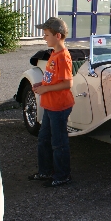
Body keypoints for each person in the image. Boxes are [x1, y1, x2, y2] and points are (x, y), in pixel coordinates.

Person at [28, 17, 75, 187]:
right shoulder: (54, 53)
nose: (44, 37)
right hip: (50, 105)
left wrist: (46, 89)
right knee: (44, 139)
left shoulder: (62, 56)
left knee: (58, 142)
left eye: (46, 34)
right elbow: (55, 79)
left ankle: (63, 175)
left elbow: (68, 83)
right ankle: (45, 171)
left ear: (58, 35)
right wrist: (43, 84)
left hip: (59, 106)